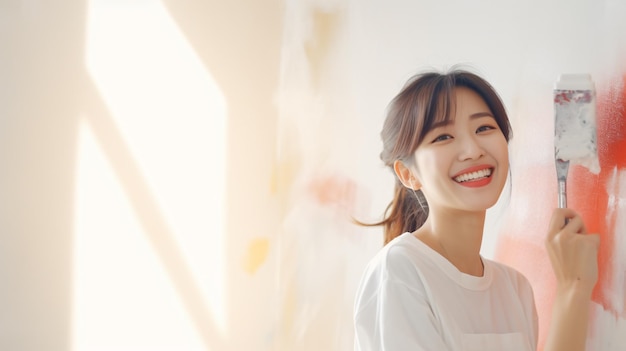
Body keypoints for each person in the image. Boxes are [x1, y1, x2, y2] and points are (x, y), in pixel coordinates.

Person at [353, 68, 600, 351]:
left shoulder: (514, 289)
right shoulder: (400, 271)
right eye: (443, 137)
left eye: (484, 128)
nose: (472, 150)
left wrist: (574, 287)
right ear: (408, 174)